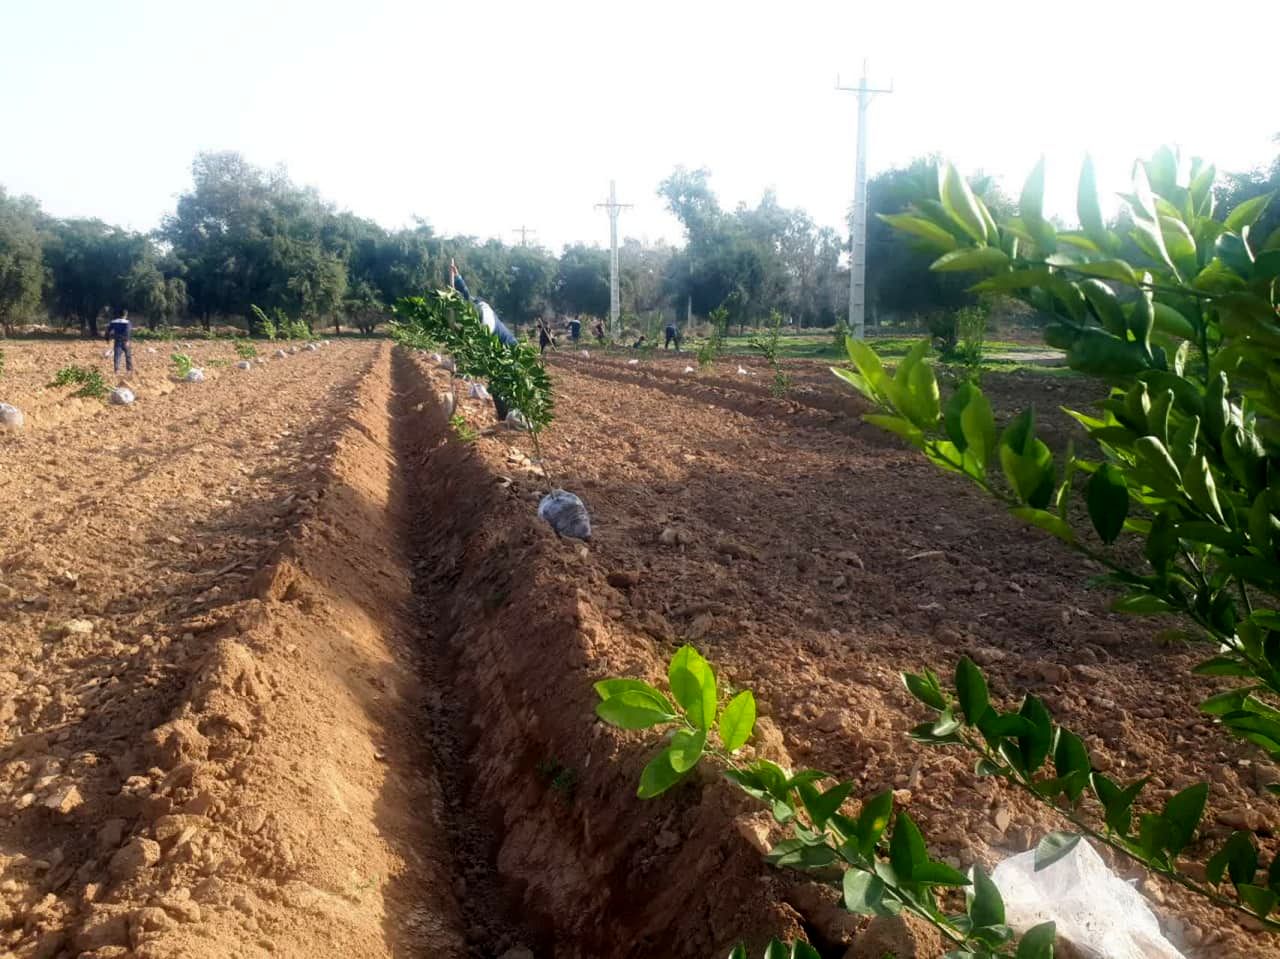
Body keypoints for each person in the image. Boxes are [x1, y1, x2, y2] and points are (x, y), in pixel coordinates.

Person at [448, 259, 518, 419]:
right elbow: (466, 296)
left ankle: (513, 418)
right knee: (497, 385)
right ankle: (505, 418)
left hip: (508, 350)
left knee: (504, 384)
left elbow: (480, 344)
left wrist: (462, 358)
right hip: (498, 350)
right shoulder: (477, 307)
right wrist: (457, 278)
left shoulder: (485, 320)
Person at [105, 308, 133, 374]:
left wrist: (107, 339)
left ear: (119, 314)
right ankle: (129, 370)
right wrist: (127, 340)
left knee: (117, 355)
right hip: (125, 340)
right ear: (126, 315)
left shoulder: (113, 322)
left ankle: (117, 370)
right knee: (128, 355)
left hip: (117, 341)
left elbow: (108, 330)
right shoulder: (128, 322)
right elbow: (127, 331)